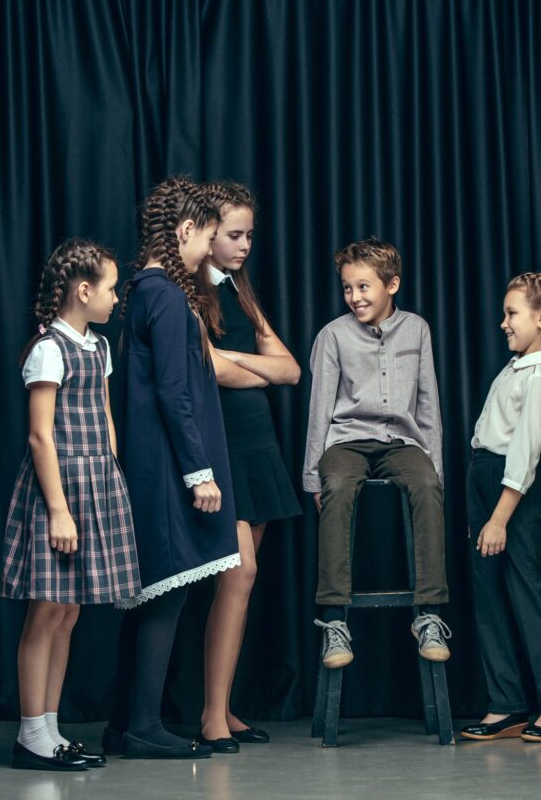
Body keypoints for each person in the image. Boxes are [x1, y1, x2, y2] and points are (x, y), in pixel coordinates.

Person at [105, 177, 239, 759]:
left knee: (156, 591)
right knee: (165, 593)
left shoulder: (149, 291)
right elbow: (173, 392)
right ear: (185, 231)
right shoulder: (160, 294)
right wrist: (198, 472)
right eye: (207, 237)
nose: (208, 250)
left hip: (159, 463)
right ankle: (140, 725)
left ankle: (126, 723)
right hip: (164, 468)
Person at [1, 238, 140, 771]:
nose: (114, 300)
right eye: (109, 289)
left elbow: (103, 418)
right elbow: (40, 436)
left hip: (95, 484)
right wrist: (59, 509)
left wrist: (110, 474)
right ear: (84, 290)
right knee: (47, 610)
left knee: (70, 610)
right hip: (58, 488)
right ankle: (30, 734)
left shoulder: (98, 347)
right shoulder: (49, 349)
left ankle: (50, 730)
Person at [303, 237, 451, 669]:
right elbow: (320, 411)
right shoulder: (332, 335)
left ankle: (428, 614)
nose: (354, 297)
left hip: (401, 441)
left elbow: (428, 405)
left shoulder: (417, 329)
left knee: (424, 485)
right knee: (339, 487)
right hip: (346, 440)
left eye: (364, 287)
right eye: (348, 288)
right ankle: (334, 620)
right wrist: (314, 477)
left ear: (392, 285)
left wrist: (436, 470)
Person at [189, 181, 302, 751]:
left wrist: (234, 359)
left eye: (250, 234)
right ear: (206, 234)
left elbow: (291, 371)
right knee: (239, 574)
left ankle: (224, 707)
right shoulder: (188, 291)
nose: (244, 245)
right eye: (234, 234)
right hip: (222, 444)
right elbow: (205, 371)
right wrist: (248, 365)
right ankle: (210, 714)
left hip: (258, 443)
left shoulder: (240, 289)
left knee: (241, 586)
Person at [459, 272, 541, 743]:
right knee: (488, 599)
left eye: (512, 314)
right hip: (485, 481)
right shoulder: (516, 367)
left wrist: (498, 519)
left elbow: (525, 456)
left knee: (528, 595)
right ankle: (506, 703)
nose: (503, 323)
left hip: (511, 495)